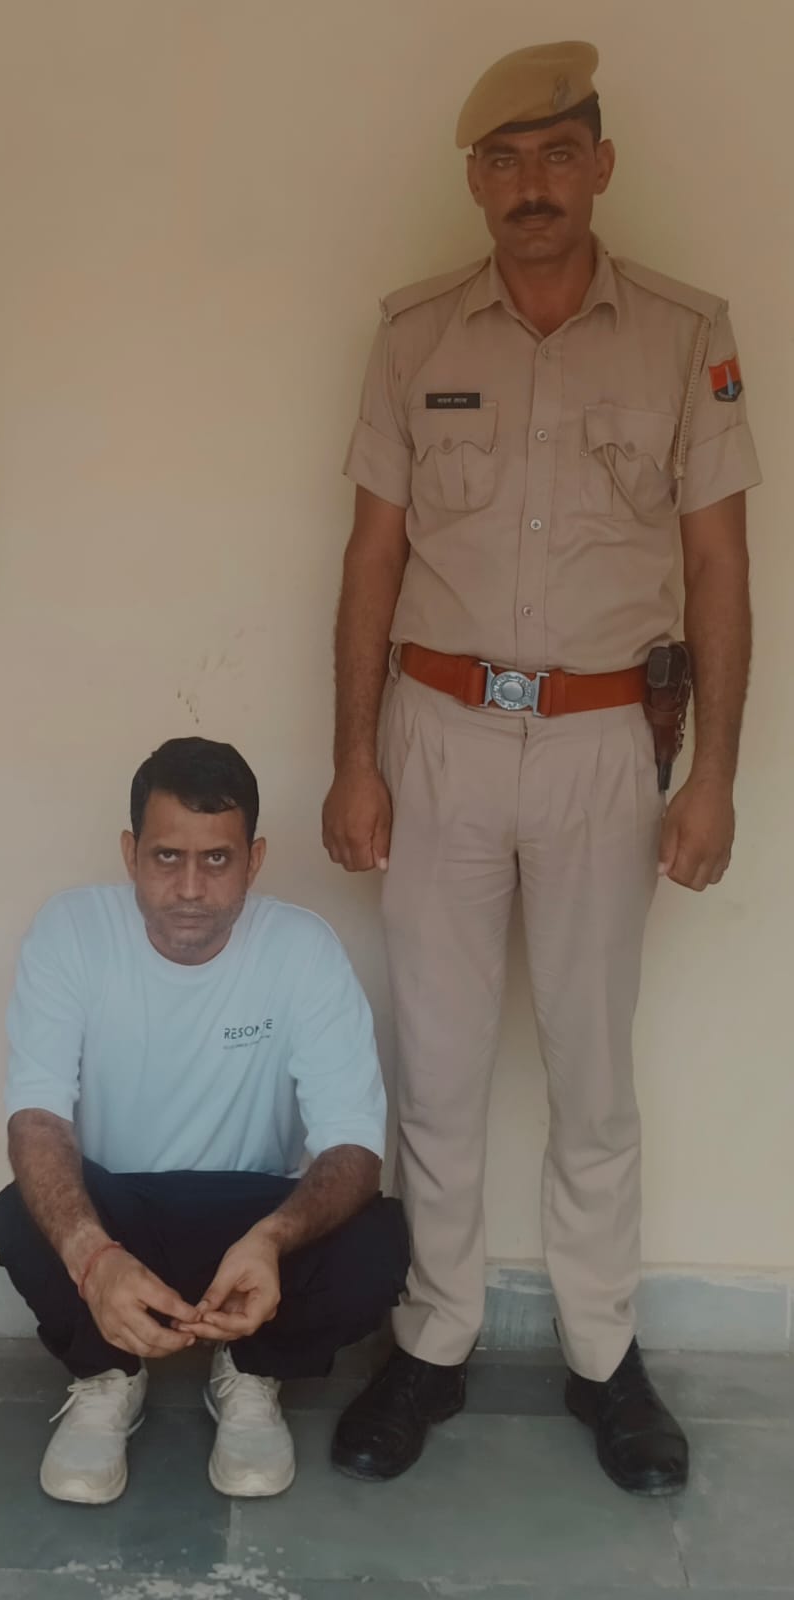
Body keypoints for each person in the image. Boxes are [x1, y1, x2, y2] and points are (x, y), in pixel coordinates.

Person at [321, 41, 759, 1496]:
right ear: (475, 180)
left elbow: (719, 566)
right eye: (504, 161)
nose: (532, 186)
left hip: (601, 744)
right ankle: (432, 1338)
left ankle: (602, 1351)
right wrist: (353, 760)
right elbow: (371, 560)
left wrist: (713, 775)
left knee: (591, 1068)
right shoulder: (414, 336)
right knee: (438, 1065)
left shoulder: (685, 335)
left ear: (600, 166)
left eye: (557, 155)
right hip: (439, 735)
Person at [0, 737, 409, 1504]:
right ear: (130, 854)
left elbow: (352, 1145)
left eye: (216, 860)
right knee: (21, 1211)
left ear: (254, 860)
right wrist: (92, 1257)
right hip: (118, 1210)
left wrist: (272, 1240)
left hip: (251, 1222)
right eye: (165, 857)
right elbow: (36, 1118)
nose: (189, 887)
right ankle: (108, 1375)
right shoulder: (71, 930)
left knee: (377, 1243)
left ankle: (252, 1371)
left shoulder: (302, 948)